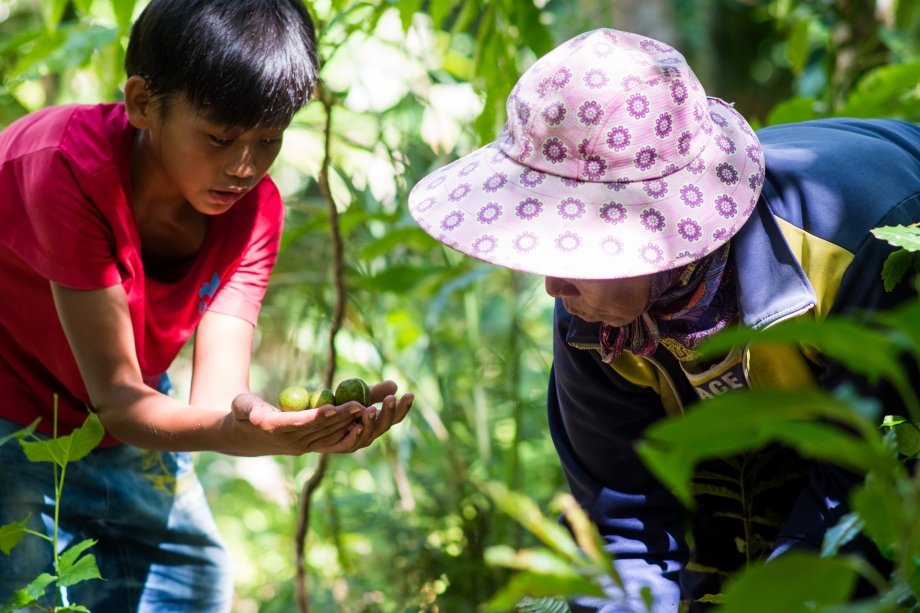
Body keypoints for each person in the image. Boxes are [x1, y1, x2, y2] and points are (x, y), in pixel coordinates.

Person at [407, 28, 919, 612]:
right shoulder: (597, 316)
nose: (552, 284)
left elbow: (866, 493)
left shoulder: (862, 247)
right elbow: (625, 526)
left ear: (659, 232)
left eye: (569, 248)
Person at [0, 0, 413, 610]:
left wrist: (282, 433)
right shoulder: (67, 168)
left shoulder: (254, 213)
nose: (243, 165)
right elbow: (117, 398)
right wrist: (242, 430)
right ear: (143, 102)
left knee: (193, 587)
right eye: (220, 138)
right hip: (15, 409)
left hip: (129, 408)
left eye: (268, 139)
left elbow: (221, 407)